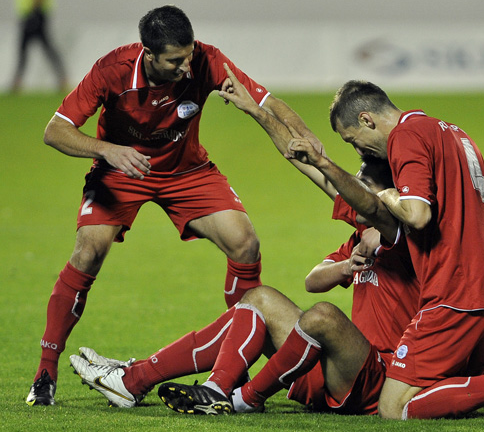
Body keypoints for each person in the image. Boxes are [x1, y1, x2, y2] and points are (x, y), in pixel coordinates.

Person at [26, 5, 316, 406]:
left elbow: (264, 99)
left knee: (245, 244)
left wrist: (305, 135)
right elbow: (54, 130)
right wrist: (108, 150)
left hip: (187, 171)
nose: (185, 67)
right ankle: (46, 367)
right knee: (88, 251)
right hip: (121, 170)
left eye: (189, 55)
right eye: (175, 61)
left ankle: (236, 356)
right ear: (148, 53)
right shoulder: (112, 70)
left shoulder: (206, 60)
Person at [286, 81, 484, 419]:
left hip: (454, 290)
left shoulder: (407, 135)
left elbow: (418, 213)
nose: (360, 151)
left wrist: (384, 196)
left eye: (353, 140)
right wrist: (258, 107)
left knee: (392, 407)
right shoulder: (455, 133)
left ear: (367, 120)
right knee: (435, 390)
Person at [70, 156, 420, 417]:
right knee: (256, 301)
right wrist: (346, 265)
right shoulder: (359, 238)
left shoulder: (401, 238)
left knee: (322, 317)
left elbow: (395, 230)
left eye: (360, 187)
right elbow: (312, 281)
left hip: (382, 374)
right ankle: (146, 379)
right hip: (341, 366)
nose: (350, 194)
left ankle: (229, 395)